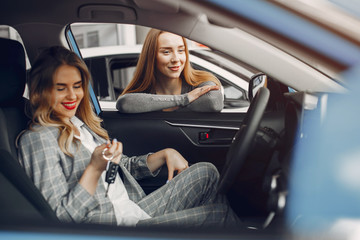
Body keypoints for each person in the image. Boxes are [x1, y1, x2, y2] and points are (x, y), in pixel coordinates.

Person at [17, 46, 240, 227]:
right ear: (39, 91)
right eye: (60, 88)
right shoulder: (38, 140)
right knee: (218, 215)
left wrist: (164, 154)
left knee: (207, 173)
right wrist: (94, 170)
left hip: (132, 209)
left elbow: (117, 173)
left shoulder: (79, 125)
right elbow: (60, 219)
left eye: (77, 86)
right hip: (115, 227)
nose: (72, 95)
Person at [116, 29, 224, 113]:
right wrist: (184, 99)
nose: (176, 59)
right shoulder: (143, 91)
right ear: (151, 56)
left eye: (181, 50)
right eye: (166, 52)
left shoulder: (202, 81)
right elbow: (124, 103)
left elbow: (214, 102)